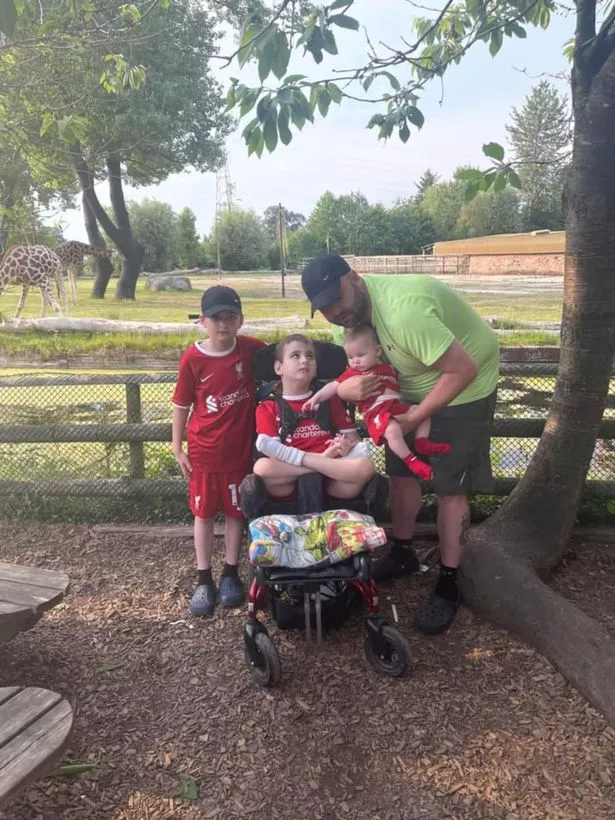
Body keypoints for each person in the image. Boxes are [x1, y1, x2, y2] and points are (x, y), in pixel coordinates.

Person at [301, 252, 499, 634]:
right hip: (406, 391)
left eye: (336, 299)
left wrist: (417, 414)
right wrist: (344, 387)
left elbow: (463, 368)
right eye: (324, 307)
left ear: (355, 278)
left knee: (449, 486)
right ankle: (404, 552)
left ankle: (448, 580)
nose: (335, 311)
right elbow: (345, 373)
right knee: (402, 471)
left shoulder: (404, 311)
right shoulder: (351, 320)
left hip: (464, 386)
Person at [172, 285, 266, 617]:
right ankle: (203, 579)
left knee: (236, 512)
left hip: (239, 453)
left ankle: (229, 574)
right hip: (204, 452)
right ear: (202, 321)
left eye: (230, 318)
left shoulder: (252, 351)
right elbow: (182, 405)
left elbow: (285, 360)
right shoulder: (193, 359)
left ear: (241, 321)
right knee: (204, 514)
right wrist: (176, 445)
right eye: (216, 318)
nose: (223, 325)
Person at [302, 324, 452, 482]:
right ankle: (411, 461)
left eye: (360, 355)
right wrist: (315, 398)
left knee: (421, 410)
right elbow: (333, 386)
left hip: (395, 407)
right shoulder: (354, 373)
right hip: (376, 413)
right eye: (351, 357)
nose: (355, 361)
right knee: (392, 430)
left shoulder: (387, 367)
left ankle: (421, 441)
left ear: (378, 351)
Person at [253, 333, 375, 500]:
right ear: (278, 367)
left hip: (333, 481)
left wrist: (347, 447)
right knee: (262, 467)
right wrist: (323, 460)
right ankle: (317, 463)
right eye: (295, 355)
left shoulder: (329, 401)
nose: (304, 360)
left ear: (316, 367)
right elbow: (273, 453)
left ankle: (317, 463)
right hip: (288, 480)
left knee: (365, 466)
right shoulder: (267, 407)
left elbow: (354, 441)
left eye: (310, 356)